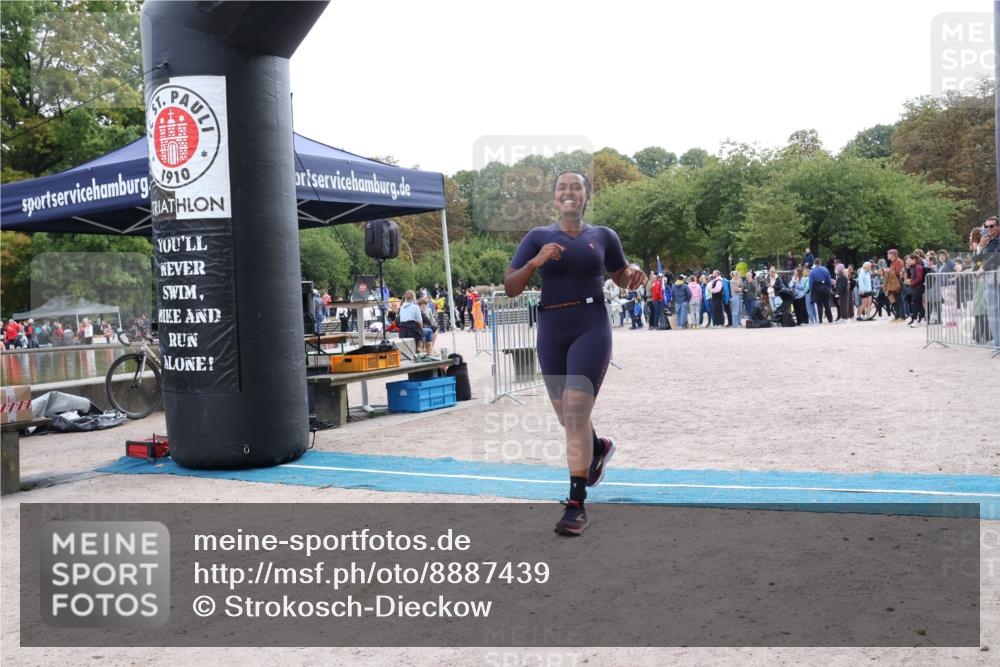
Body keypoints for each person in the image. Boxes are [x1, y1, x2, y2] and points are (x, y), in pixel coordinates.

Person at [505, 170, 645, 536]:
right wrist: (536, 261)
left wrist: (632, 271)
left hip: (590, 324)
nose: (569, 193)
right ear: (554, 198)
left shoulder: (603, 236)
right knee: (569, 420)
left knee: (576, 411)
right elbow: (510, 287)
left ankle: (576, 505)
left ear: (586, 196)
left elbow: (620, 273)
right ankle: (597, 447)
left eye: (576, 187)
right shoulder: (537, 237)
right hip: (551, 328)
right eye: (562, 188)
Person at [973, 216, 1000, 349]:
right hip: (990, 280)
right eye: (986, 226)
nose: (988, 229)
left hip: (996, 279)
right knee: (992, 312)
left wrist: (983, 268)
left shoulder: (998, 241)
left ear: (998, 226)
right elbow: (976, 261)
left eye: (992, 226)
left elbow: (996, 258)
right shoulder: (988, 242)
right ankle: (997, 343)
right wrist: (979, 247)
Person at [809, 259, 834, 324]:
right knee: (827, 304)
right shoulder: (825, 269)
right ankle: (830, 319)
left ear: (814, 263)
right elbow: (829, 280)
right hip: (825, 287)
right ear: (820, 262)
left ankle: (820, 320)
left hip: (817, 288)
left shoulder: (812, 271)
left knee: (819, 305)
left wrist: (811, 290)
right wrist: (830, 288)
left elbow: (811, 282)